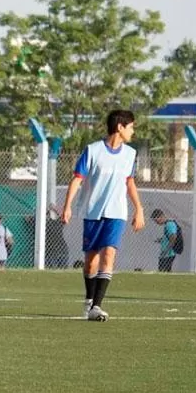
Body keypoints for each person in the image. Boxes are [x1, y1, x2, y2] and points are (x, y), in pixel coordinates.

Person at [60, 109, 145, 322]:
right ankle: (89, 299)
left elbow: (130, 182)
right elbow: (77, 179)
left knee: (109, 254)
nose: (133, 131)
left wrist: (139, 209)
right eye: (131, 126)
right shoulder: (93, 151)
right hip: (92, 212)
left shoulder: (130, 154)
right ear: (120, 127)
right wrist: (67, 206)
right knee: (90, 262)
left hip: (116, 213)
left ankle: (97, 306)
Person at [150, 209, 180, 273]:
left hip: (168, 254)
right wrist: (161, 240)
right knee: (166, 271)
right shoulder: (167, 225)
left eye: (156, 220)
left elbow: (173, 237)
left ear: (161, 216)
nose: (156, 223)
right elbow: (169, 237)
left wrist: (167, 250)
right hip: (166, 253)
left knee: (163, 271)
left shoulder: (169, 224)